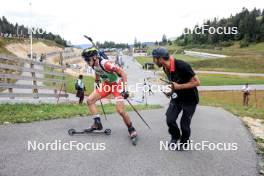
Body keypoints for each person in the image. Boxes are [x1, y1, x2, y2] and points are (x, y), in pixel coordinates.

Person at [81, 47, 137, 139]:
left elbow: (123, 73)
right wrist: (97, 80)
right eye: (85, 60)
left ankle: (131, 129)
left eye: (88, 59)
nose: (86, 62)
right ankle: (97, 123)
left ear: (95, 57)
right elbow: (97, 70)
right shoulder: (93, 64)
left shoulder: (106, 64)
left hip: (116, 86)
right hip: (106, 85)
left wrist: (125, 89)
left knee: (120, 111)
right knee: (90, 100)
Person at [152, 47, 200, 150]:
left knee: (184, 124)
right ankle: (175, 136)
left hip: (190, 99)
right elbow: (173, 83)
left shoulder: (182, 65)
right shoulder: (165, 68)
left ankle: (184, 143)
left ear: (160, 59)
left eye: (154, 58)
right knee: (170, 119)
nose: (154, 61)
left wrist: (178, 87)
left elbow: (197, 82)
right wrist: (170, 90)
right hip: (177, 97)